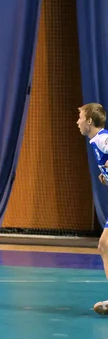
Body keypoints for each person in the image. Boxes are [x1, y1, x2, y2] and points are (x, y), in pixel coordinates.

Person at [76, 103, 108, 315]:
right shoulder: (97, 142)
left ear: (89, 121)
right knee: (104, 245)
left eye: (80, 117)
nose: (77, 121)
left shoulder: (103, 139)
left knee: (105, 244)